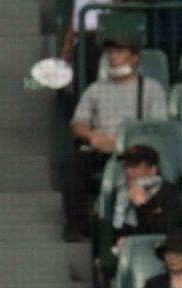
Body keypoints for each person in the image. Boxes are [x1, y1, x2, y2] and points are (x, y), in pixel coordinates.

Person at [65, 26, 168, 241]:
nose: (113, 56)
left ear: (135, 57)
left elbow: (157, 128)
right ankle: (80, 227)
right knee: (74, 165)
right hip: (101, 147)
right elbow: (77, 123)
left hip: (135, 150)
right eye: (110, 52)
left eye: (120, 51)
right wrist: (93, 136)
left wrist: (124, 141)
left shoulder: (151, 89)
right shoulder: (96, 89)